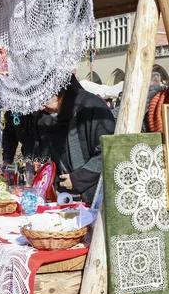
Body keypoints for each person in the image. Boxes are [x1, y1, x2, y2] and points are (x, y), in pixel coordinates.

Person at [36, 74, 115, 204]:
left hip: (94, 197)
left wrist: (78, 179)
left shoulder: (92, 107)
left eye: (43, 100)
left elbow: (108, 151)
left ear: (59, 94)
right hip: (63, 198)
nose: (40, 107)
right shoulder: (45, 116)